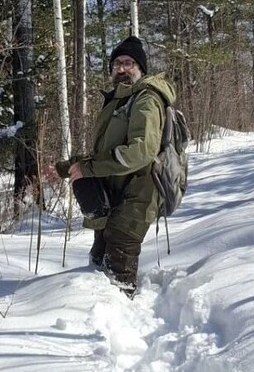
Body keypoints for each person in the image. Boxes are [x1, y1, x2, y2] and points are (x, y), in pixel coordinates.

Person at [55, 36, 177, 298]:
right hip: (112, 194)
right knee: (98, 262)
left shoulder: (146, 100)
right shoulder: (117, 102)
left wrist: (89, 169)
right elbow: (102, 153)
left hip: (139, 194)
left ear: (140, 68)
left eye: (128, 63)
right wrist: (64, 168)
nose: (122, 69)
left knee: (117, 270)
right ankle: (103, 321)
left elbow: (142, 151)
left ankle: (120, 329)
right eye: (117, 63)